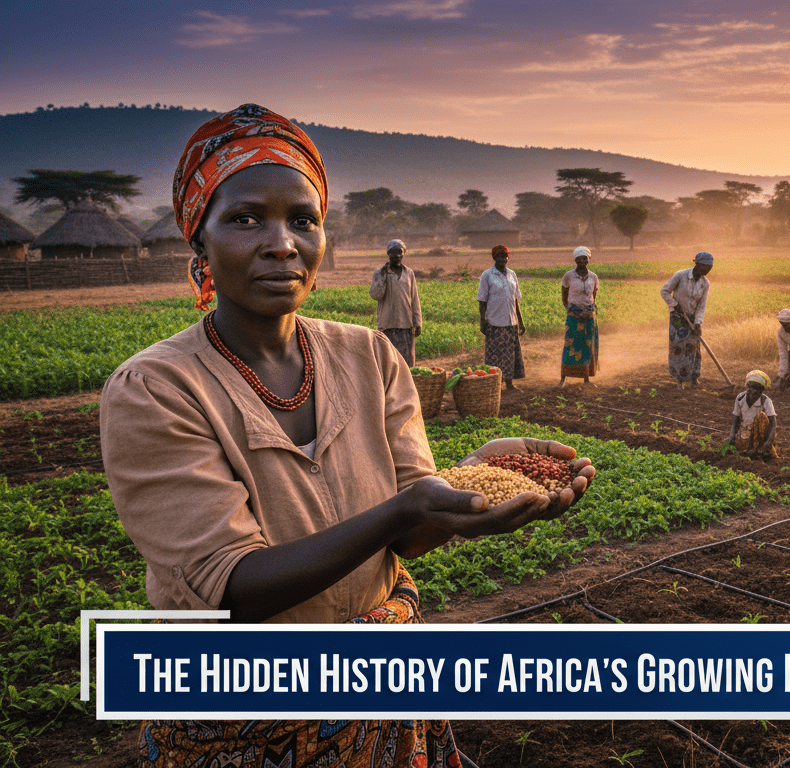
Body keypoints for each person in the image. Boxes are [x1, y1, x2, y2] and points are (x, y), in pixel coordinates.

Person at [99, 104, 594, 768]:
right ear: (199, 242)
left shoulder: (369, 356)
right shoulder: (156, 388)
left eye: (304, 220)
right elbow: (232, 587)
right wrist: (410, 505)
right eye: (245, 219)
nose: (283, 243)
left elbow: (408, 537)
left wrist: (462, 488)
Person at [660, 251, 713, 389]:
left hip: (693, 319)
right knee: (679, 349)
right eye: (705, 267)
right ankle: (680, 380)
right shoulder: (681, 275)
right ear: (697, 264)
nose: (707, 270)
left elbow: (702, 305)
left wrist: (698, 323)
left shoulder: (705, 283)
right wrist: (674, 304)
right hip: (678, 318)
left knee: (694, 349)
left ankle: (694, 378)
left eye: (710, 268)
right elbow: (664, 291)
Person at [478, 243, 526, 389]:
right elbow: (482, 301)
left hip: (511, 321)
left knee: (510, 355)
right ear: (494, 257)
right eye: (500, 256)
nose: (503, 259)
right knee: (495, 355)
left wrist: (521, 322)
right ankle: (494, 384)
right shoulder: (487, 275)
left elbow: (515, 300)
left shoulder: (512, 275)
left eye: (505, 256)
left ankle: (509, 383)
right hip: (494, 322)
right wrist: (482, 322)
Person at [370, 238, 422, 367]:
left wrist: (418, 321)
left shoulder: (409, 273)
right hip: (387, 324)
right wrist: (383, 277)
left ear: (404, 253)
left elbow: (414, 298)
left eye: (399, 252)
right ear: (388, 253)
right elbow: (375, 295)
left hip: (406, 324)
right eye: (393, 252)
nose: (396, 255)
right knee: (388, 362)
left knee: (406, 363)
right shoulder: (379, 272)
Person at [559, 245, 599, 386]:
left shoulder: (593, 277)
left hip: (589, 317)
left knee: (587, 347)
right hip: (573, 317)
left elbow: (593, 297)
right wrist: (570, 310)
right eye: (579, 259)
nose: (582, 261)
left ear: (588, 259)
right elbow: (564, 296)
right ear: (575, 260)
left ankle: (586, 378)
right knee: (569, 345)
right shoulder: (568, 276)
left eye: (585, 258)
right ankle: (563, 378)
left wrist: (587, 310)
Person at [725, 370, 778, 459]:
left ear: (762, 390)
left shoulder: (766, 401)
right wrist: (732, 435)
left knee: (761, 416)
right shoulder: (740, 398)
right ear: (747, 386)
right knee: (729, 446)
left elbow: (773, 423)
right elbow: (736, 419)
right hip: (745, 431)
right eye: (751, 387)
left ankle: (760, 448)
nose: (753, 391)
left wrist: (769, 442)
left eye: (757, 388)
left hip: (760, 433)